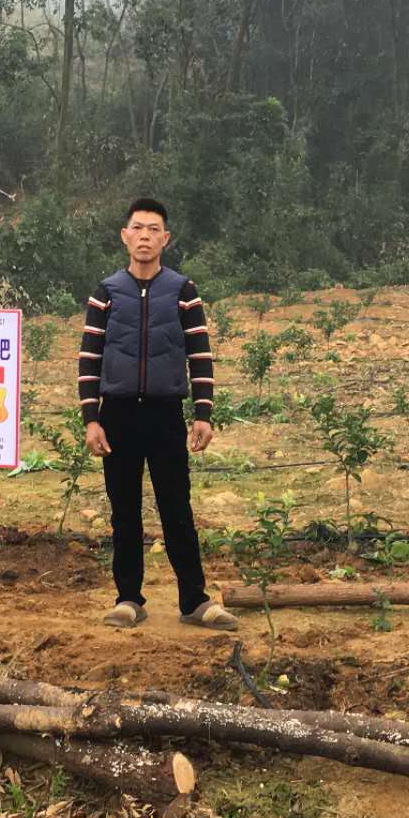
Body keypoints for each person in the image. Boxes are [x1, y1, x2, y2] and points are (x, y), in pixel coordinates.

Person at [78, 198, 238, 630]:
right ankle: (128, 598)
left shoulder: (183, 291)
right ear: (125, 236)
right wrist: (91, 419)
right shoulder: (106, 293)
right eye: (137, 228)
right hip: (119, 416)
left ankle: (194, 602)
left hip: (167, 415)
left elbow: (200, 355)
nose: (145, 236)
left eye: (153, 229)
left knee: (176, 508)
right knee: (124, 510)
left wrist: (202, 412)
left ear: (165, 239)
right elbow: (89, 358)